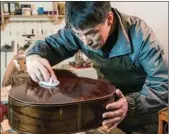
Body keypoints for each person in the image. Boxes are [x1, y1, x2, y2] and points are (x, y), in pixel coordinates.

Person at [25, 2, 168, 134]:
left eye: (91, 33)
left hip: (143, 112)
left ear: (109, 19)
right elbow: (51, 45)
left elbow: (163, 84)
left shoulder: (140, 34)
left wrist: (130, 105)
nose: (85, 42)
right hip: (104, 107)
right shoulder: (80, 31)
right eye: (79, 35)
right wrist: (33, 56)